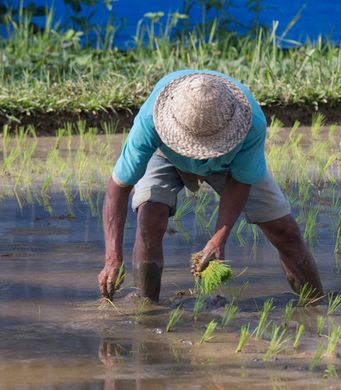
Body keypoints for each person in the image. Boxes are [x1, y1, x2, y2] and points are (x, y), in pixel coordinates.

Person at [98, 69, 324, 302]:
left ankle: (317, 307)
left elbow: (240, 181)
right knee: (150, 218)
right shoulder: (152, 120)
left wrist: (219, 239)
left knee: (284, 230)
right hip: (165, 153)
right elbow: (118, 187)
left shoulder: (250, 123)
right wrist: (112, 258)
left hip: (227, 158)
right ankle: (147, 310)